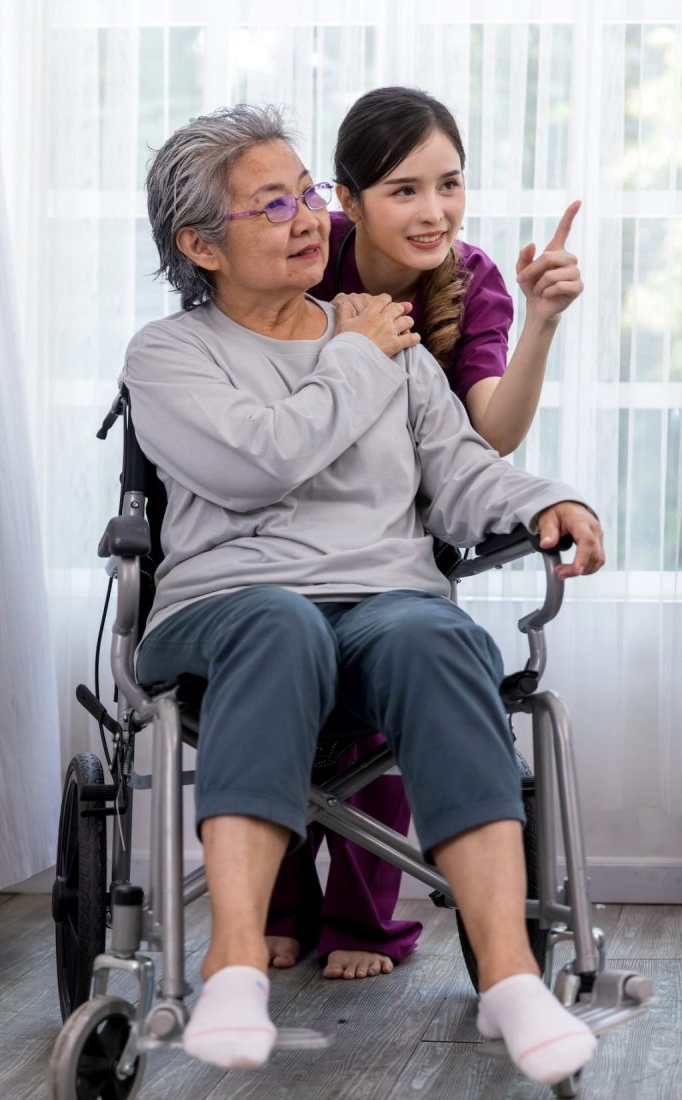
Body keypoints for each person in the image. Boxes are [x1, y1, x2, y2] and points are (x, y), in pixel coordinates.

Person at [125, 103, 604, 1087]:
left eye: (306, 192)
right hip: (230, 610)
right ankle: (230, 965)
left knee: (433, 632)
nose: (306, 217)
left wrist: (548, 496)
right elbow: (258, 463)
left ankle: (511, 976)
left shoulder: (399, 354)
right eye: (272, 204)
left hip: (378, 601)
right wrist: (353, 349)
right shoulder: (170, 355)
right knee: (278, 620)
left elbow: (466, 476)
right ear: (197, 244)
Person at [266, 86, 585, 980]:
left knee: (392, 676)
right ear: (346, 197)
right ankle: (282, 907)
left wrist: (543, 324)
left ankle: (365, 921)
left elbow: (491, 435)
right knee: (283, 671)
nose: (434, 210)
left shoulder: (473, 278)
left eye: (450, 185)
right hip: (282, 517)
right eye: (404, 190)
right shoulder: (303, 256)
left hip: (401, 530)